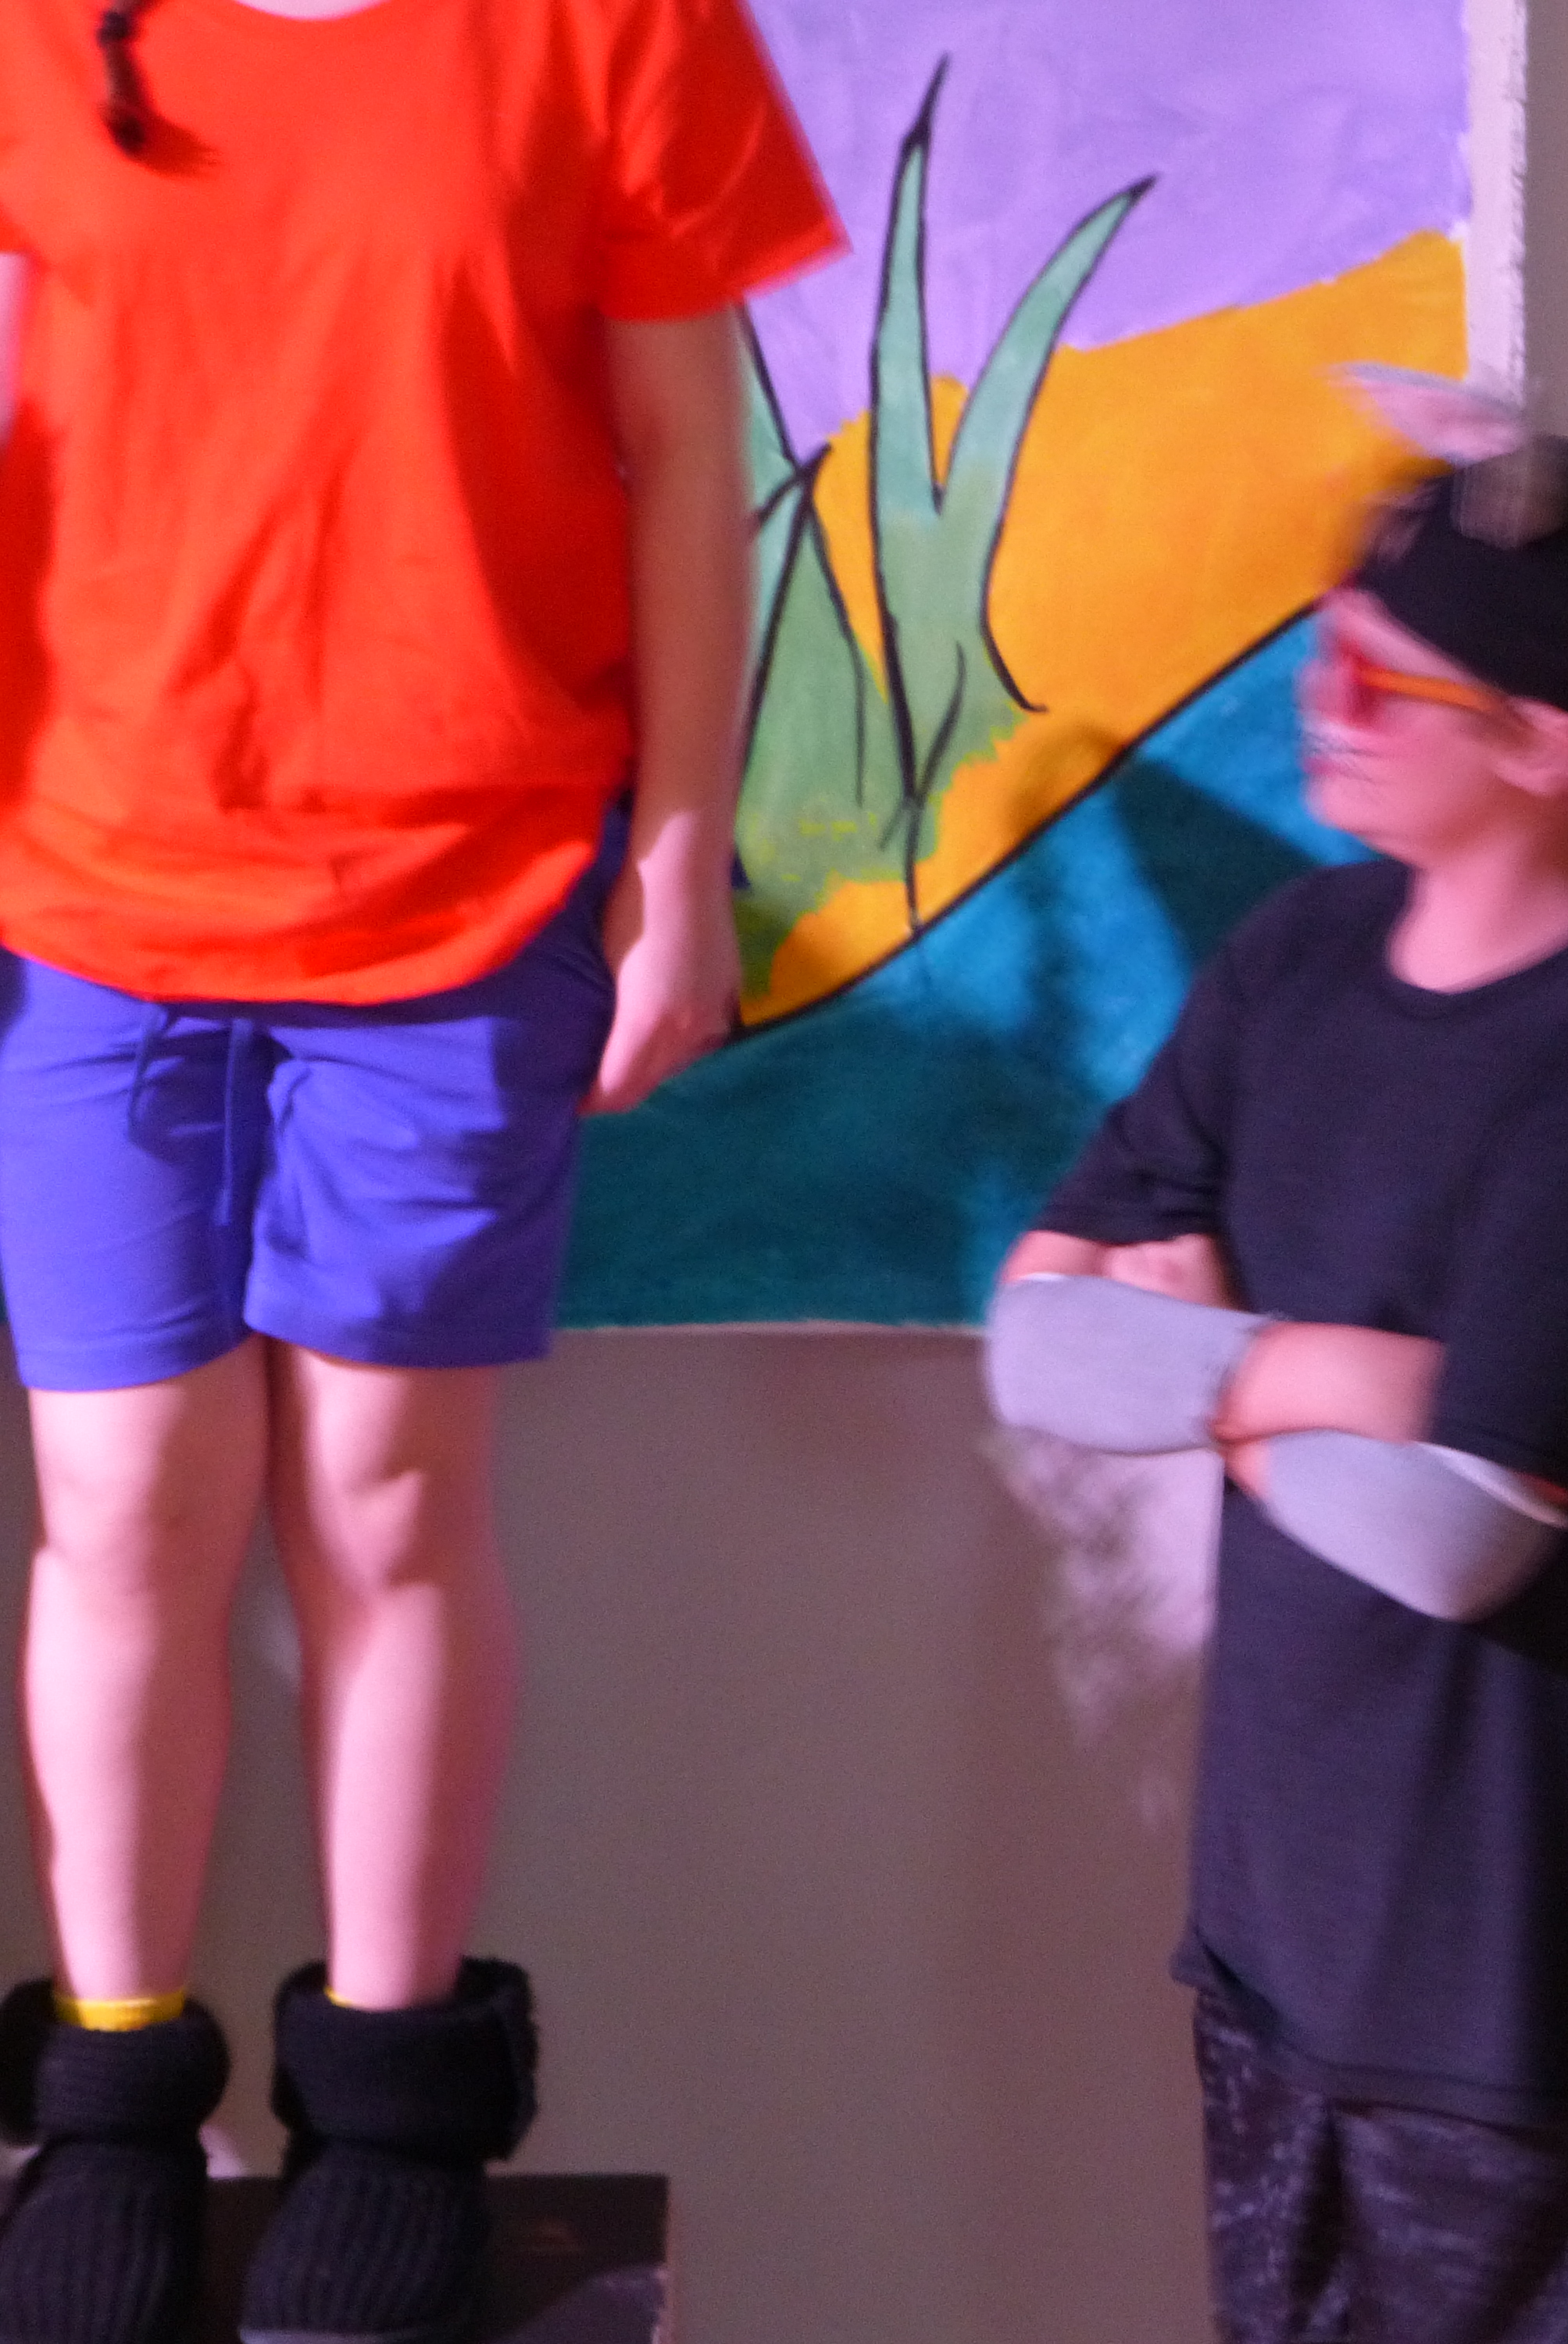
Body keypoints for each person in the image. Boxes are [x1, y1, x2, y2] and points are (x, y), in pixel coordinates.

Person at [0, 3, 836, 2339]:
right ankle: (110, 2098)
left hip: (466, 887)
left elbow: (684, 455)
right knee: (120, 1496)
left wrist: (679, 852)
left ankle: (389, 2111)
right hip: (84, 886)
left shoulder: (616, 29)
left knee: (381, 1495)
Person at [984, 403, 1568, 2344]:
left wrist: (1206, 1376)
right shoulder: (1299, 954)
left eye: (1381, 677)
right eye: (1326, 644)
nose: (1321, 700)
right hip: (1276, 1944)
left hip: (1521, 1993)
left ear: (1550, 744)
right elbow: (1036, 1339)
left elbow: (1453, 1544)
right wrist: (1331, 1375)